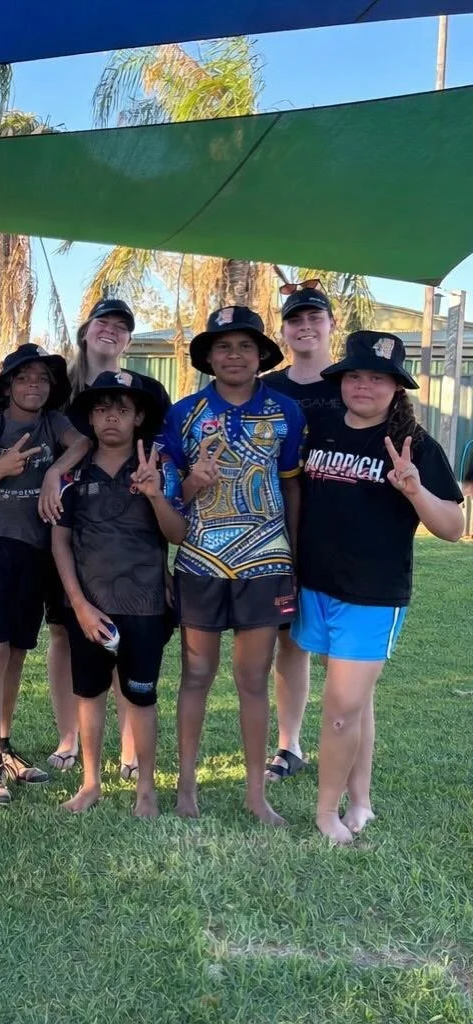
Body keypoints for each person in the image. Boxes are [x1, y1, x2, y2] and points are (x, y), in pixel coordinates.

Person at [292, 331, 464, 844]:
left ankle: (327, 813)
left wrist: (415, 491)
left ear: (396, 387)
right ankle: (361, 800)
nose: (363, 385)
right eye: (355, 375)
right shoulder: (321, 429)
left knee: (340, 711)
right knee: (355, 703)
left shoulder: (415, 445)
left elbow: (453, 527)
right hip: (317, 585)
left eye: (378, 377)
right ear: (342, 380)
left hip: (371, 595)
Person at [158, 306, 305, 826]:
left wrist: (294, 555)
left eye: (245, 346)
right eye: (223, 346)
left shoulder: (286, 412)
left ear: (262, 354)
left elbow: (291, 486)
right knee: (196, 674)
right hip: (200, 561)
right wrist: (192, 481)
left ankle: (255, 794)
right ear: (209, 357)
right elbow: (171, 497)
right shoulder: (183, 414)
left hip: (265, 561)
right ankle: (187, 786)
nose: (235, 355)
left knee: (253, 679)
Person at [40, 298, 172, 779]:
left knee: (127, 639)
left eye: (122, 326)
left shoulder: (143, 389)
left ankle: (130, 748)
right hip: (68, 520)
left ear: (129, 339)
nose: (111, 331)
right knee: (66, 631)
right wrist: (55, 473)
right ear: (86, 330)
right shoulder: (62, 385)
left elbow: (158, 459)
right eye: (103, 322)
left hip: (130, 540)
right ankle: (69, 737)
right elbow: (62, 437)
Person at [0, 344, 90, 805]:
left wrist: (53, 473)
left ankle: (5, 745)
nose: (34, 385)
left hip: (37, 551)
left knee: (16, 652)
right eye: (24, 378)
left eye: (42, 379)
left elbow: (82, 443)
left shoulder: (53, 424)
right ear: (7, 386)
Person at [52, 371, 184, 816]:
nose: (111, 418)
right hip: (89, 607)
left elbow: (178, 534)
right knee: (89, 695)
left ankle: (146, 787)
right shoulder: (72, 473)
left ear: (138, 418)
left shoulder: (158, 467)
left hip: (145, 605)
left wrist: (155, 496)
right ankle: (90, 783)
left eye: (122, 410)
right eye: (102, 409)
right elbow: (60, 542)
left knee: (141, 696)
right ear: (90, 418)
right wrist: (78, 604)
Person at [262, 284, 344, 783]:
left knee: (344, 646)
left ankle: (344, 734)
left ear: (332, 324)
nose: (306, 326)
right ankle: (289, 745)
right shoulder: (268, 388)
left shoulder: (351, 382)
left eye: (315, 317)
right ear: (285, 329)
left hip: (340, 527)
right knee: (289, 639)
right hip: (277, 527)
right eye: (296, 319)